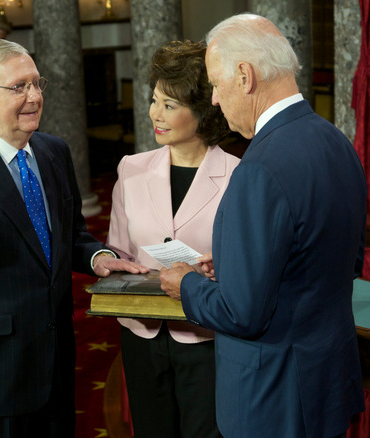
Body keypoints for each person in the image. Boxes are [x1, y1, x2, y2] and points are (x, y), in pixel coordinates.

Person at [0, 38, 148, 437]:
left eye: (37, 84)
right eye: (19, 87)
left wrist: (96, 257)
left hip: (55, 365)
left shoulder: (54, 152)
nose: (34, 96)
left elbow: (70, 237)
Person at [159, 14, 367, 438]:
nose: (214, 99)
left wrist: (186, 284)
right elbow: (345, 259)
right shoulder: (337, 141)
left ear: (245, 76)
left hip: (274, 401)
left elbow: (242, 314)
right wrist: (242, 265)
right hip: (325, 383)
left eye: (216, 84)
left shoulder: (258, 170)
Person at [106, 40, 236, 438]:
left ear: (202, 110)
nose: (153, 114)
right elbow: (119, 251)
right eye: (153, 100)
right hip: (142, 335)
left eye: (169, 105)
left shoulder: (239, 177)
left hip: (206, 335)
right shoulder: (130, 168)